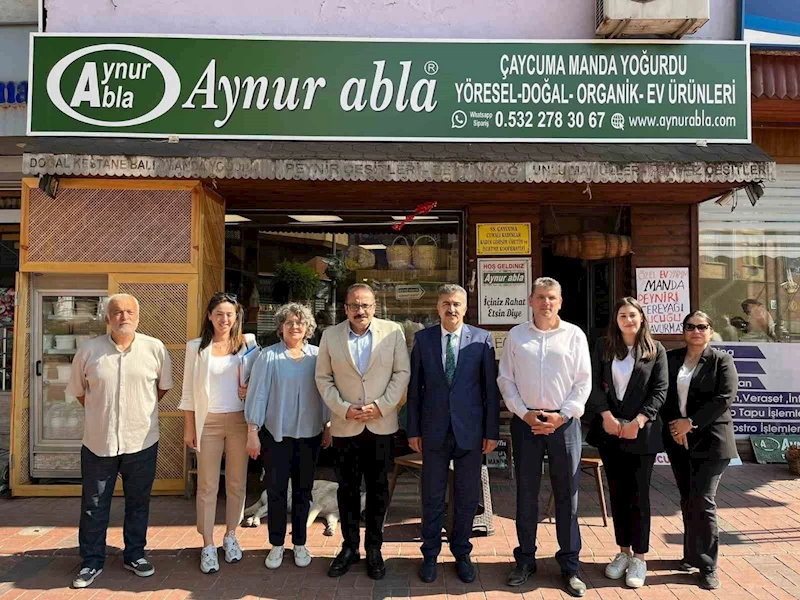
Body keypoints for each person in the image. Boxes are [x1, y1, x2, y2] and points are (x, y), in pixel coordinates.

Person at [66, 294, 174, 589]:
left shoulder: (155, 349)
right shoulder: (89, 351)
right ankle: (91, 561)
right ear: (106, 318)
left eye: (129, 312)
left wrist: (136, 411)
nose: (123, 316)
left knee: (138, 502)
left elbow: (161, 389)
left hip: (142, 440)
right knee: (93, 504)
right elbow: (79, 392)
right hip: (98, 443)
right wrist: (103, 412)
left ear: (138, 317)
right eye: (116, 312)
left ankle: (135, 555)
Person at [497, 277, 591, 597]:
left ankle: (570, 566)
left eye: (552, 297)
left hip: (563, 423)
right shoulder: (516, 335)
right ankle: (525, 560)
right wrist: (522, 413)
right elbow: (506, 379)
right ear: (530, 301)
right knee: (526, 493)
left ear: (560, 302)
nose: (546, 303)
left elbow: (583, 382)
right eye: (540, 297)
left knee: (568, 496)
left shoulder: (574, 335)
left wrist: (562, 415)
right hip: (526, 422)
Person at [315, 283, 410, 580]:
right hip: (346, 426)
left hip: (381, 425)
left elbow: (401, 373)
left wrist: (381, 406)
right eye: (354, 305)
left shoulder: (393, 331)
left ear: (374, 306)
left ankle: (375, 549)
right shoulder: (330, 336)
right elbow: (323, 378)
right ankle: (349, 547)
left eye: (366, 305)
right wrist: (343, 408)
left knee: (379, 489)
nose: (360, 310)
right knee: (347, 490)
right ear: (345, 308)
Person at [407, 284, 500, 584]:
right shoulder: (423, 339)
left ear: (465, 307)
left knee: (466, 496)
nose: (452, 309)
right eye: (446, 303)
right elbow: (414, 390)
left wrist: (491, 431)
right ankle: (430, 554)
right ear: (437, 307)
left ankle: (462, 552)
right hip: (433, 431)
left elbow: (489, 390)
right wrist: (413, 430)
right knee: (432, 496)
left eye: (457, 304)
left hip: (470, 432)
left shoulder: (482, 340)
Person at [586, 297, 668, 589]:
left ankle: (640, 558)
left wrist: (639, 421)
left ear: (642, 318)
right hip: (610, 432)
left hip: (641, 434)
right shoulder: (603, 347)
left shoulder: (656, 351)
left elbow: (660, 391)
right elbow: (592, 384)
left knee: (639, 496)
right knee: (618, 494)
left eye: (633, 315)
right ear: (616, 320)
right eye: (622, 315)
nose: (628, 320)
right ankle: (622, 552)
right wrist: (606, 416)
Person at [245, 303, 332, 570]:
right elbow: (258, 394)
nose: (295, 326)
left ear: (308, 328)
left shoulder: (318, 356)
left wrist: (328, 426)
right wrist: (252, 431)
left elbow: (326, 392)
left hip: (310, 436)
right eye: (289, 322)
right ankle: (276, 544)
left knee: (304, 492)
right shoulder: (268, 356)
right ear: (280, 327)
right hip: (276, 436)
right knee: (276, 491)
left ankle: (301, 543)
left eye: (300, 322)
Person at [179, 293, 258, 574]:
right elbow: (188, 391)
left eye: (230, 314)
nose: (225, 320)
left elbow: (257, 382)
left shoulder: (248, 343)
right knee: (207, 486)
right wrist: (190, 427)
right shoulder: (196, 348)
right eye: (219, 314)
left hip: (239, 421)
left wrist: (249, 390)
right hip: (208, 422)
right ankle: (208, 544)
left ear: (237, 317)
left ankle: (231, 536)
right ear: (210, 316)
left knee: (237, 483)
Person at [662, 311, 738, 591]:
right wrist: (675, 428)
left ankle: (708, 566)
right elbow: (662, 394)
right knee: (687, 498)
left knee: (703, 500)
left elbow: (724, 398)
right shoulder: (671, 359)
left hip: (711, 441)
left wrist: (690, 423)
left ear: (710, 331)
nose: (696, 331)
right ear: (684, 331)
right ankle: (691, 555)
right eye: (691, 326)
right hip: (678, 440)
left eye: (702, 327)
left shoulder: (721, 361)